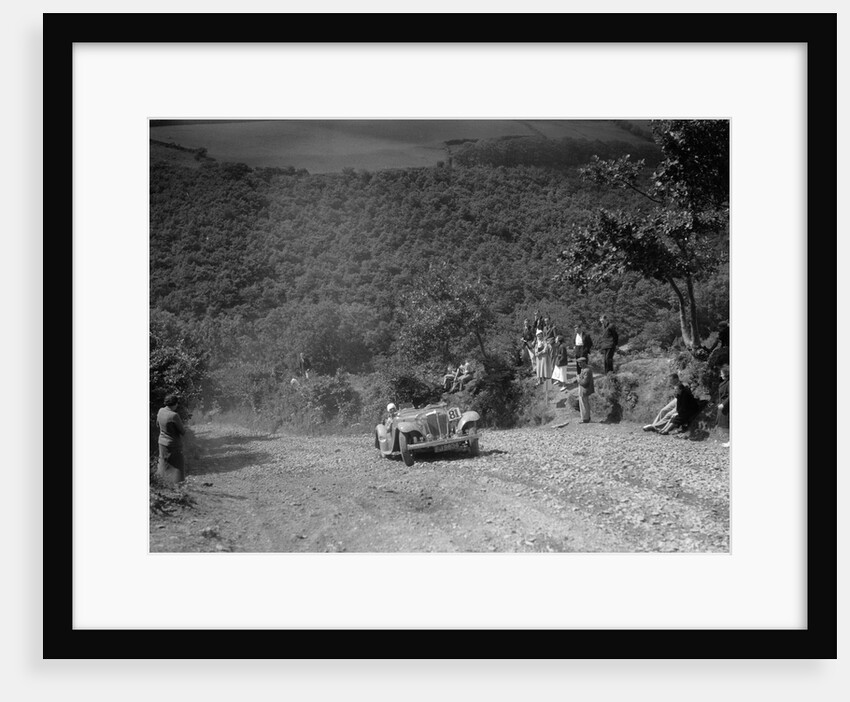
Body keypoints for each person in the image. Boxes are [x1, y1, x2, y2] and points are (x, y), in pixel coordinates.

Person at [156, 393, 186, 485]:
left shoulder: (161, 410)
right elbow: (182, 431)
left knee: (163, 463)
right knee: (178, 466)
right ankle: (178, 484)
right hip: (173, 444)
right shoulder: (174, 415)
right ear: (175, 404)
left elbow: (157, 424)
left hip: (161, 442)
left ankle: (160, 481)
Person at [577, 357, 594, 423]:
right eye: (578, 363)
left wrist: (578, 379)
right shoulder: (585, 369)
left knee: (584, 404)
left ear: (584, 362)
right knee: (584, 404)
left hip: (584, 390)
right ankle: (585, 418)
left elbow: (585, 382)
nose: (579, 364)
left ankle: (585, 419)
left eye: (580, 363)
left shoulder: (586, 370)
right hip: (583, 389)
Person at [716, 364, 730, 446]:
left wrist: (723, 404)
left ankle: (730, 441)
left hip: (727, 406)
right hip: (723, 405)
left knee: (728, 422)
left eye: (721, 373)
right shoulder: (724, 382)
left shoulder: (729, 382)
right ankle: (728, 440)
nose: (720, 375)